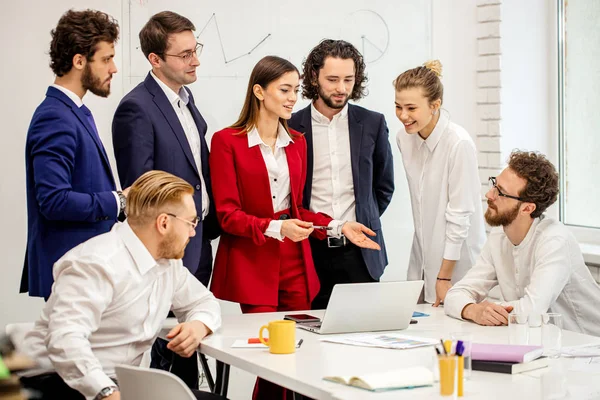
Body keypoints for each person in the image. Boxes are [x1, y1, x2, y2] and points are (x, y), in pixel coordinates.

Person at [209, 55, 380, 400]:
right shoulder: (227, 141)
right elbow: (227, 215)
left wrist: (338, 226)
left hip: (296, 264)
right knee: (271, 358)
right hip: (253, 263)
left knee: (296, 359)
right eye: (284, 89)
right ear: (259, 91)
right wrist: (276, 228)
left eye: (294, 90)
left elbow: (300, 210)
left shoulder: (296, 142)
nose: (292, 98)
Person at [20, 170, 224, 400]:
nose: (193, 231)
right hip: (61, 383)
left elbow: (204, 301)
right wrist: (106, 391)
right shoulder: (96, 263)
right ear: (164, 223)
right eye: (191, 222)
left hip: (120, 383)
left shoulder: (168, 264)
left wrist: (198, 325)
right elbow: (65, 339)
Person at [112, 11, 218, 387]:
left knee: (190, 339)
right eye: (185, 54)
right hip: (166, 243)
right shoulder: (137, 107)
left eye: (196, 50)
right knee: (166, 345)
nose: (196, 60)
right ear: (155, 59)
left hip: (197, 236)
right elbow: (142, 190)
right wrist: (171, 236)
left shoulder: (186, 101)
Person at [22, 9, 126, 300]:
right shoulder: (55, 117)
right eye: (106, 59)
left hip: (87, 272)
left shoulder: (74, 112)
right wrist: (119, 201)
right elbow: (54, 201)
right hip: (72, 275)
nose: (114, 68)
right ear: (79, 61)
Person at [288, 39, 394, 310]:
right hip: (309, 251)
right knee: (309, 340)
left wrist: (363, 218)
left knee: (365, 340)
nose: (341, 88)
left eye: (348, 79)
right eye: (333, 79)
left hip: (361, 254)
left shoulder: (372, 123)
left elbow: (383, 186)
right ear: (314, 76)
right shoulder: (290, 125)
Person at [444, 151, 600, 336]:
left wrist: (488, 309)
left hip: (586, 348)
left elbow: (532, 310)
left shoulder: (555, 241)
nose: (489, 195)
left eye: (500, 192)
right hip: (537, 341)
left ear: (528, 208)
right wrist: (473, 310)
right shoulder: (498, 237)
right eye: (494, 185)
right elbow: (456, 294)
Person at [394, 60, 486, 306]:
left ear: (435, 105)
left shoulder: (458, 144)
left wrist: (443, 276)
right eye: (398, 106)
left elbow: (460, 216)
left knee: (456, 340)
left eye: (411, 108)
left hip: (456, 266)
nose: (403, 116)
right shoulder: (404, 138)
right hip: (422, 260)